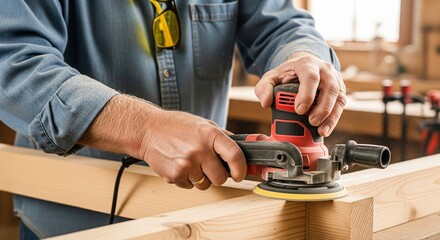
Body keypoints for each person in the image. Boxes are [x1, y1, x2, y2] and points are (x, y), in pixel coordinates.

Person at [0, 0, 345, 238]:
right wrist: (144, 129)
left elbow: (281, 24)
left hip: (199, 222)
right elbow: (13, 65)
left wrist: (304, 57)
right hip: (73, 224)